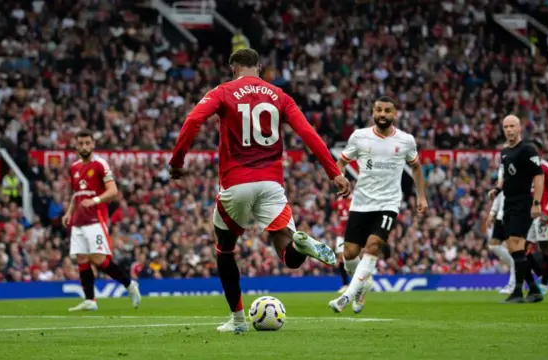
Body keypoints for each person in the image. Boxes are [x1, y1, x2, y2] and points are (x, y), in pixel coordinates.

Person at [168, 48, 351, 333]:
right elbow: (308, 133)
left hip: (236, 183)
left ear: (233, 69)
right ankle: (300, 242)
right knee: (289, 256)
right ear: (260, 67)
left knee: (225, 249)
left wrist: (177, 162)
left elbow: (193, 121)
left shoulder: (223, 91)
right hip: (271, 184)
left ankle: (239, 320)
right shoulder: (280, 95)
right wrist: (334, 172)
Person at [328, 96, 428, 313]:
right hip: (361, 202)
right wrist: (340, 177)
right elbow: (341, 162)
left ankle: (346, 296)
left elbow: (417, 167)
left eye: (387, 110)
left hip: (388, 203)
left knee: (373, 246)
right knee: (350, 254)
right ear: (373, 112)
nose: (383, 114)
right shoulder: (360, 137)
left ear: (395, 114)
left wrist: (421, 196)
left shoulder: (405, 140)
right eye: (379, 110)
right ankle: (363, 285)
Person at [63, 130, 141, 312]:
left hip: (95, 221)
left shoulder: (100, 165)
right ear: (76, 145)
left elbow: (113, 191)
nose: (84, 147)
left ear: (93, 144)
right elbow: (76, 195)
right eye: (80, 143)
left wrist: (96, 200)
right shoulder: (74, 167)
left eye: (87, 143)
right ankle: (90, 300)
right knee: (82, 258)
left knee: (98, 259)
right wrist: (69, 213)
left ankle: (130, 285)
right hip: (78, 221)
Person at [488, 115, 544, 304]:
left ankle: (518, 292)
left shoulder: (528, 149)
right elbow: (506, 178)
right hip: (509, 203)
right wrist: (497, 189)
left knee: (516, 244)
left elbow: (538, 177)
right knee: (514, 250)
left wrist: (537, 203)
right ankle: (534, 290)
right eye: (506, 127)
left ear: (520, 128)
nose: (509, 130)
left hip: (523, 202)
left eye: (512, 126)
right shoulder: (504, 152)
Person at [526, 138, 548, 296]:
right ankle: (541, 275)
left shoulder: (546, 167)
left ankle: (545, 282)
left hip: (543, 214)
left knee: (545, 247)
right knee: (524, 249)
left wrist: (547, 210)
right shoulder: (526, 168)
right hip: (531, 215)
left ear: (539, 151)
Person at [486, 154, 515, 294]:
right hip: (500, 216)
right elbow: (499, 194)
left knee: (515, 250)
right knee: (493, 245)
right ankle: (517, 266)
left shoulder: (517, 172)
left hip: (511, 216)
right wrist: (492, 213)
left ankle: (513, 284)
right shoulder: (502, 171)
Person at [333, 194, 352, 293]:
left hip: (351, 232)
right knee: (340, 258)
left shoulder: (353, 199)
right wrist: (336, 226)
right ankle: (345, 284)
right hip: (341, 233)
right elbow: (335, 214)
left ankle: (358, 283)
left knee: (352, 257)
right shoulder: (338, 201)